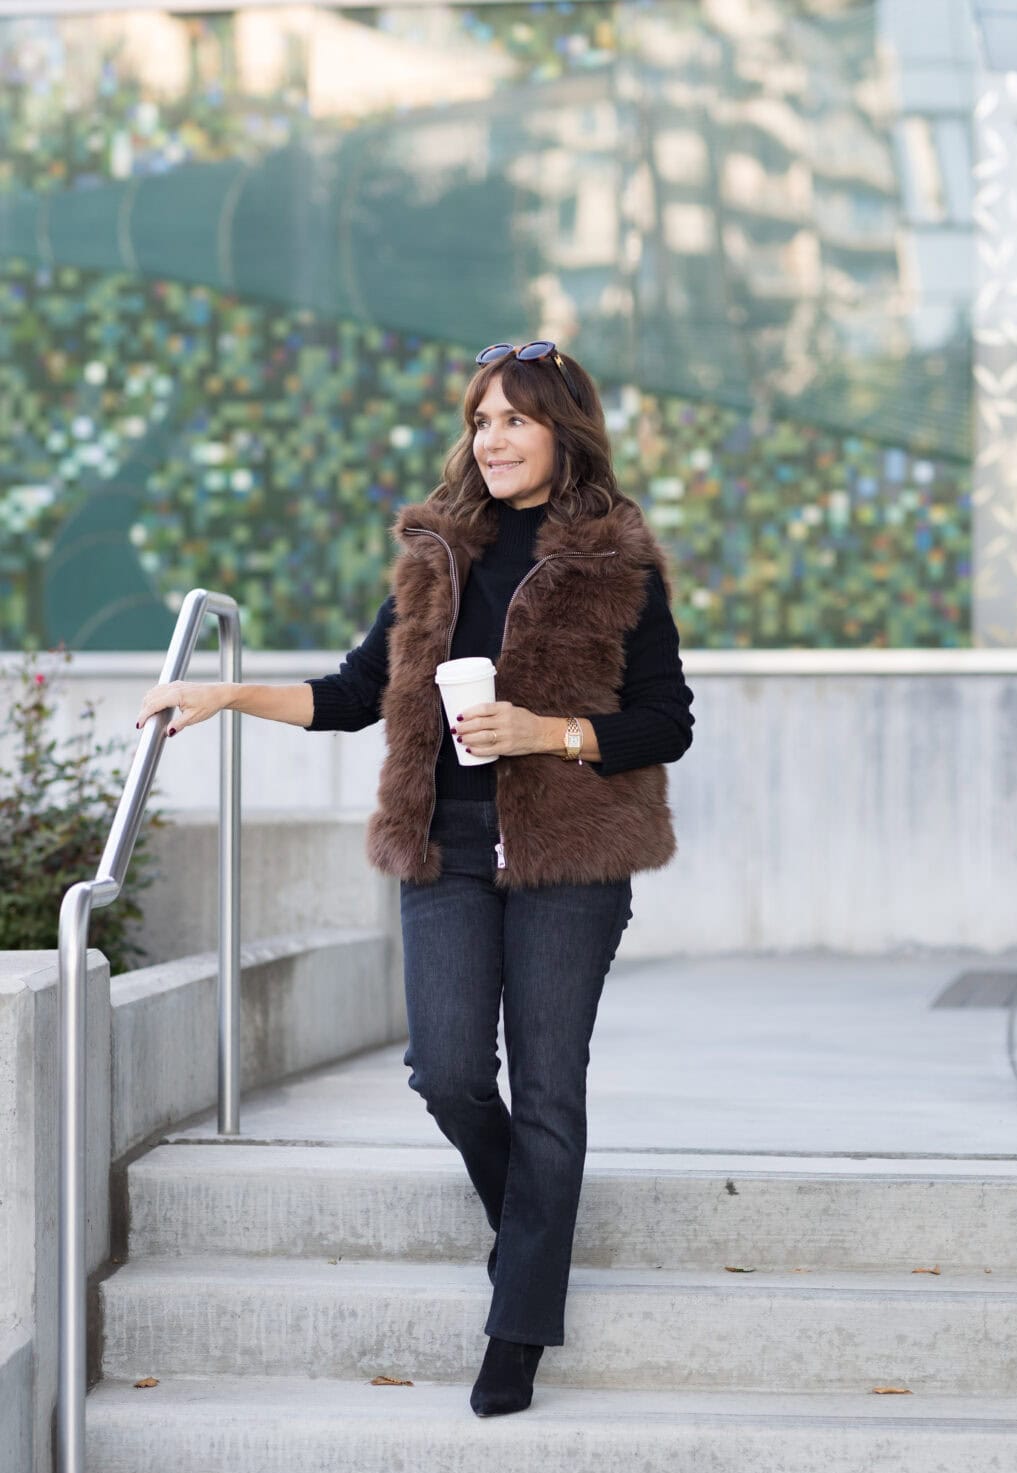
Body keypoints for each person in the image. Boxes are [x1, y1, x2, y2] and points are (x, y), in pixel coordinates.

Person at [136, 340, 694, 1417]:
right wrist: (226, 695)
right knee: (444, 1070)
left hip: (567, 855)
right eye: (480, 420)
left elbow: (665, 721)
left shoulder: (619, 563)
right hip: (440, 847)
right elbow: (354, 691)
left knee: (546, 1088)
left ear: (560, 432)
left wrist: (549, 731)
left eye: (514, 421)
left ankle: (516, 1324)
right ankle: (527, 1238)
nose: (490, 439)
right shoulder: (437, 553)